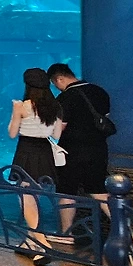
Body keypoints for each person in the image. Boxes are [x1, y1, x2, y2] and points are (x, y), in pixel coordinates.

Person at [48, 62, 112, 240]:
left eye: (55, 84)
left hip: (72, 151)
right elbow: (104, 119)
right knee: (98, 190)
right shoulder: (100, 92)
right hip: (99, 149)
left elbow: (59, 129)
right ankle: (123, 228)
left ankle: (66, 234)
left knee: (67, 192)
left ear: (59, 79)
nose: (57, 88)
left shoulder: (65, 98)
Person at [8, 67, 65, 266]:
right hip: (45, 154)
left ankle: (42, 244)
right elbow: (56, 135)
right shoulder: (56, 106)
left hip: (26, 152)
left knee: (26, 199)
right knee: (34, 199)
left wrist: (15, 114)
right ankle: (29, 243)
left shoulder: (21, 106)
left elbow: (12, 133)